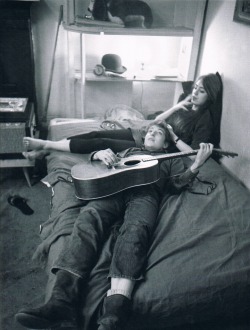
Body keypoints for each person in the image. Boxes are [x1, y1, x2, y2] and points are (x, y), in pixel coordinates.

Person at [16, 121, 214, 330]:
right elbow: (98, 166)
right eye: (150, 132)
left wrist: (195, 166)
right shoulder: (130, 149)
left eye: (158, 133)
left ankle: (114, 314)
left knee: (136, 232)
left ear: (166, 145)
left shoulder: (171, 159)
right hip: (113, 188)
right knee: (88, 219)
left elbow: (175, 185)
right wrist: (98, 155)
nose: (152, 134)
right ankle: (61, 303)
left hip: (145, 194)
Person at [22, 73, 222, 160]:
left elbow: (194, 153)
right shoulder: (187, 105)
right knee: (94, 133)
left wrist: (173, 136)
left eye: (201, 91)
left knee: (101, 142)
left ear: (210, 95)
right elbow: (156, 121)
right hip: (144, 131)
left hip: (155, 145)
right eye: (195, 88)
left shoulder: (204, 120)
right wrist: (177, 105)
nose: (194, 93)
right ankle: (47, 149)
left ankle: (45, 145)